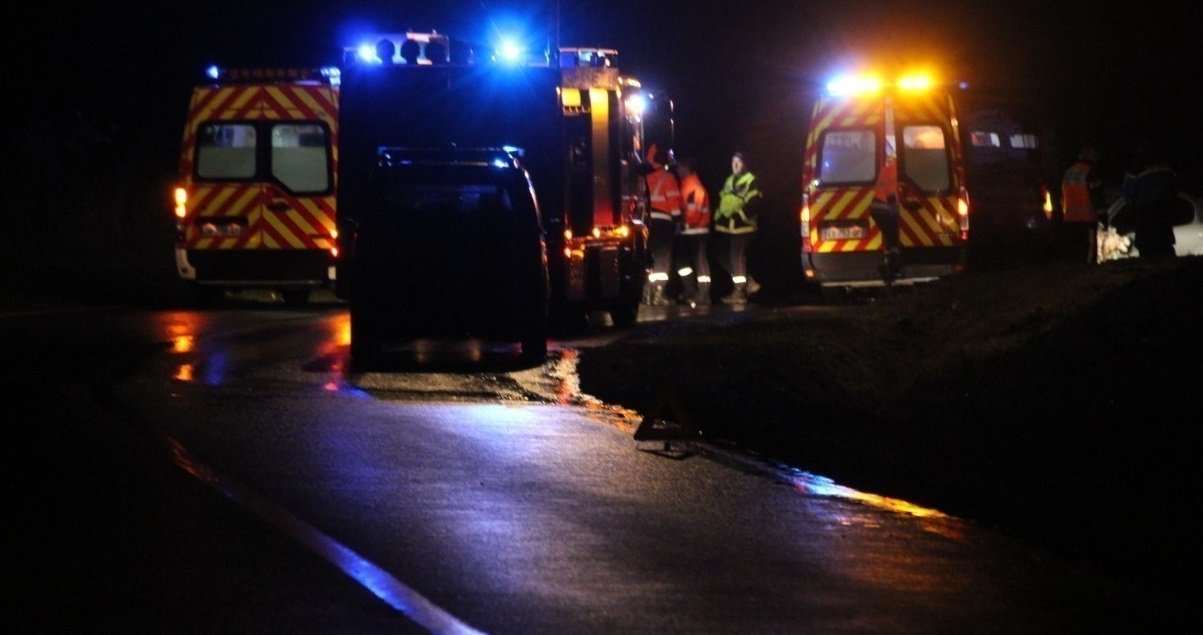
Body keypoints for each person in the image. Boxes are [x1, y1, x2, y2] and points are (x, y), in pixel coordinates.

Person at [713, 151, 763, 304]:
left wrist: (739, 215)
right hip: (727, 227)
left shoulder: (751, 180)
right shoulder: (729, 180)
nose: (735, 165)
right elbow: (723, 200)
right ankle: (748, 283)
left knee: (737, 257)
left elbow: (754, 202)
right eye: (733, 161)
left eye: (738, 162)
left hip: (743, 227)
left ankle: (739, 292)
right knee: (722, 256)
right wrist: (719, 217)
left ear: (745, 164)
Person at [1121, 139, 1179, 257]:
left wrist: (1132, 204)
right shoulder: (1166, 165)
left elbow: (1126, 191)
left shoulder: (1137, 166)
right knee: (1164, 243)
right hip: (1164, 208)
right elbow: (1174, 187)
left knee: (1146, 245)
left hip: (1145, 210)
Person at [642, 144, 683, 306]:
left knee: (647, 259)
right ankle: (659, 294)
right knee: (662, 258)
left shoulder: (644, 177)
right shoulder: (668, 178)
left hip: (646, 222)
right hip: (663, 222)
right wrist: (678, 220)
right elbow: (673, 201)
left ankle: (646, 293)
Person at [672, 157, 711, 306]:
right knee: (682, 261)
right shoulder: (687, 185)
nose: (677, 171)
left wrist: (683, 224)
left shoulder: (694, 187)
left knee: (700, 260)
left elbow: (693, 212)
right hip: (688, 230)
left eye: (679, 168)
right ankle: (690, 289)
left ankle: (703, 293)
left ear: (686, 168)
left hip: (697, 230)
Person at [1060, 145, 1106, 263]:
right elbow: (1097, 196)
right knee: (1089, 252)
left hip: (1070, 219)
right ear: (1090, 156)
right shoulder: (1091, 172)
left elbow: (1062, 196)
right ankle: (1088, 276)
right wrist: (1103, 216)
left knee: (1075, 252)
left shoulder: (1068, 172)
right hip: (1087, 218)